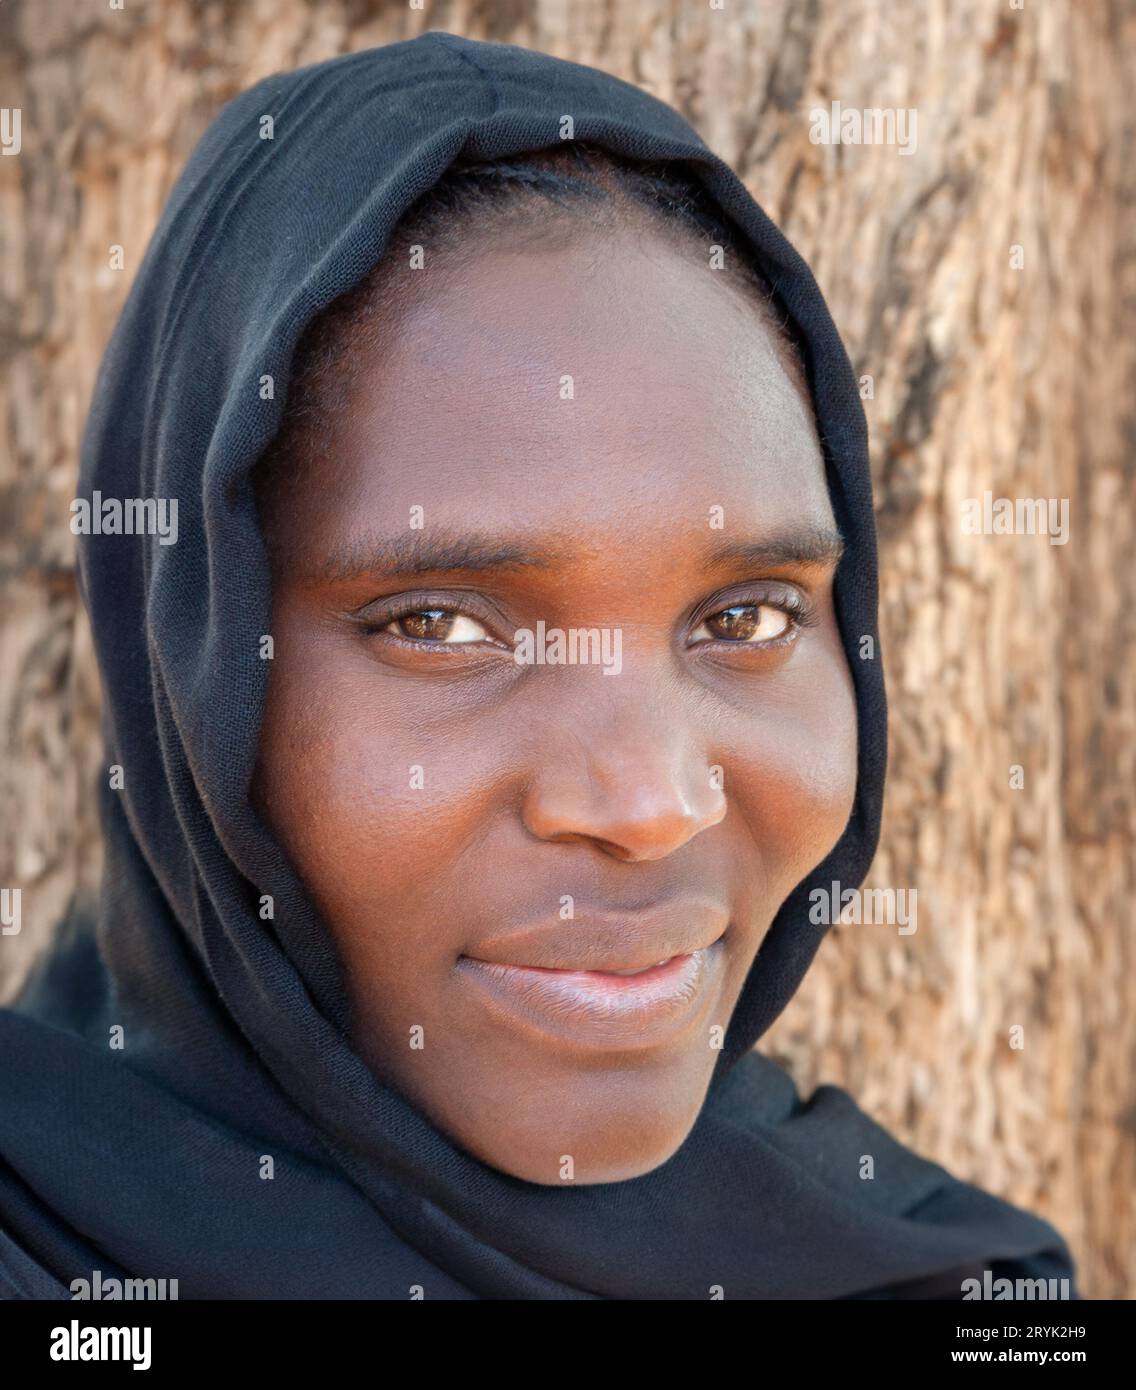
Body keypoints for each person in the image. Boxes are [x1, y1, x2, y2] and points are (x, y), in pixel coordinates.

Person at [0, 30, 1076, 1299]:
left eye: (746, 619)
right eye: (444, 625)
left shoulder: (951, 1283)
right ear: (186, 655)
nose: (647, 802)